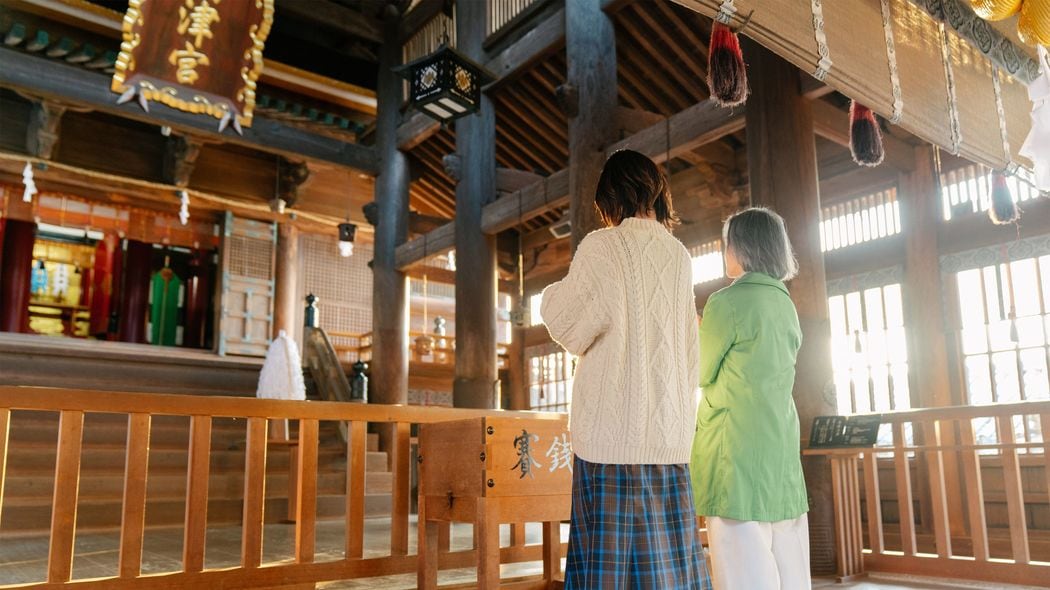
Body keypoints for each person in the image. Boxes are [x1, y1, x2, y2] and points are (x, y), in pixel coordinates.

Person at [541, 149, 711, 589]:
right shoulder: (678, 256)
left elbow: (568, 323)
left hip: (611, 439)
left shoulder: (602, 246)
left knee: (608, 571)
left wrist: (545, 296)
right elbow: (691, 349)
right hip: (670, 437)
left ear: (610, 198)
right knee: (669, 569)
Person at [690, 207, 811, 590]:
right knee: (788, 554)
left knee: (743, 560)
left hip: (736, 445)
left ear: (742, 247)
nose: (724, 251)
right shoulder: (785, 304)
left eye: (727, 243)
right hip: (779, 440)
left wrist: (695, 332)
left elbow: (698, 370)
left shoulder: (726, 303)